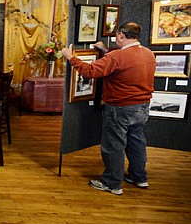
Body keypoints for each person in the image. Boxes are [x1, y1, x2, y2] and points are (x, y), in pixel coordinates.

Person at [61, 22, 156, 195]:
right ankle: (139, 178)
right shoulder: (148, 54)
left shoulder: (117, 57)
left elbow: (90, 71)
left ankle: (112, 183)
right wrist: (105, 50)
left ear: (121, 35)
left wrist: (71, 57)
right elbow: (124, 63)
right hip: (142, 107)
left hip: (120, 108)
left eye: (116, 36)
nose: (115, 39)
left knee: (113, 145)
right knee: (137, 142)